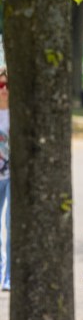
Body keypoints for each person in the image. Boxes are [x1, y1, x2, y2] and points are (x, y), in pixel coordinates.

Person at [0, 67, 10, 291]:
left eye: (8, 85)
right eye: (0, 85)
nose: (4, 90)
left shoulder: (18, 113)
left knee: (12, 224)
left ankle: (10, 276)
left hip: (14, 176)